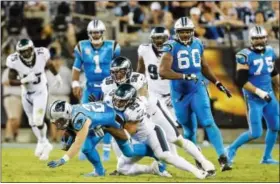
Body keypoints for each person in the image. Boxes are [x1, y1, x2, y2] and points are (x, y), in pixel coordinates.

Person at [102, 56, 215, 176]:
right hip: (133, 119)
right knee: (121, 141)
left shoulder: (137, 78)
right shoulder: (107, 84)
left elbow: (143, 97)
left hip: (152, 111)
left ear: (128, 70)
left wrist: (133, 110)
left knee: (176, 139)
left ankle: (202, 160)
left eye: (121, 71)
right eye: (114, 72)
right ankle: (129, 167)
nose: (117, 75)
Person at [159, 17, 232, 171]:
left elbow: (204, 66)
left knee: (208, 122)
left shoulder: (198, 43)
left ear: (192, 31)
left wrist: (217, 83)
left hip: (197, 88)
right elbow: (163, 71)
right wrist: (184, 76)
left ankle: (223, 157)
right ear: (176, 32)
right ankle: (198, 159)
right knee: (189, 131)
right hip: (180, 94)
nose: (185, 34)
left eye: (187, 31)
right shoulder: (171, 46)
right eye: (182, 31)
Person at [46, 100, 166, 176]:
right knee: (87, 148)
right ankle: (99, 172)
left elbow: (78, 143)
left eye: (60, 120)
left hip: (114, 121)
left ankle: (157, 153)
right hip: (100, 125)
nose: (57, 123)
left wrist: (63, 159)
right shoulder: (72, 113)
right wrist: (69, 139)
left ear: (67, 114)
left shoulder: (79, 118)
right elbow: (74, 130)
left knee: (129, 152)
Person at [227, 26, 279, 165]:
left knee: (275, 127)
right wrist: (260, 93)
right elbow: (241, 80)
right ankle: (231, 149)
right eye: (256, 38)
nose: (259, 41)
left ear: (266, 38)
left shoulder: (269, 51)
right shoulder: (244, 55)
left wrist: (278, 87)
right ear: (251, 40)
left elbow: (273, 71)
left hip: (269, 96)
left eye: (261, 37)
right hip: (254, 98)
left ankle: (266, 157)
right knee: (255, 133)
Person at [6, 38, 63, 160]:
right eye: (23, 51)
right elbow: (10, 81)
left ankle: (43, 142)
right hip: (26, 93)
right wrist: (24, 80)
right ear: (18, 53)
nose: (26, 53)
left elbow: (49, 64)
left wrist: (57, 76)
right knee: (32, 121)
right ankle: (43, 142)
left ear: (32, 48)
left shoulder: (42, 53)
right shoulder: (14, 60)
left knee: (38, 120)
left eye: (28, 50)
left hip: (40, 91)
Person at [72, 19, 120, 161]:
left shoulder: (113, 46)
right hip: (90, 87)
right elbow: (76, 68)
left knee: (107, 119)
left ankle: (106, 150)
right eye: (93, 32)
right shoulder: (82, 46)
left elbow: (118, 67)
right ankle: (85, 148)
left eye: (98, 32)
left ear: (102, 32)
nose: (96, 35)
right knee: (83, 118)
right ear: (89, 33)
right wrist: (75, 83)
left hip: (108, 87)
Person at [2, 67, 22, 142]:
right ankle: (8, 136)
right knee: (12, 118)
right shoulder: (8, 70)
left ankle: (13, 136)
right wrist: (19, 82)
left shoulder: (21, 70)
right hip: (10, 96)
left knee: (17, 120)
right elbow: (5, 82)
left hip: (19, 97)